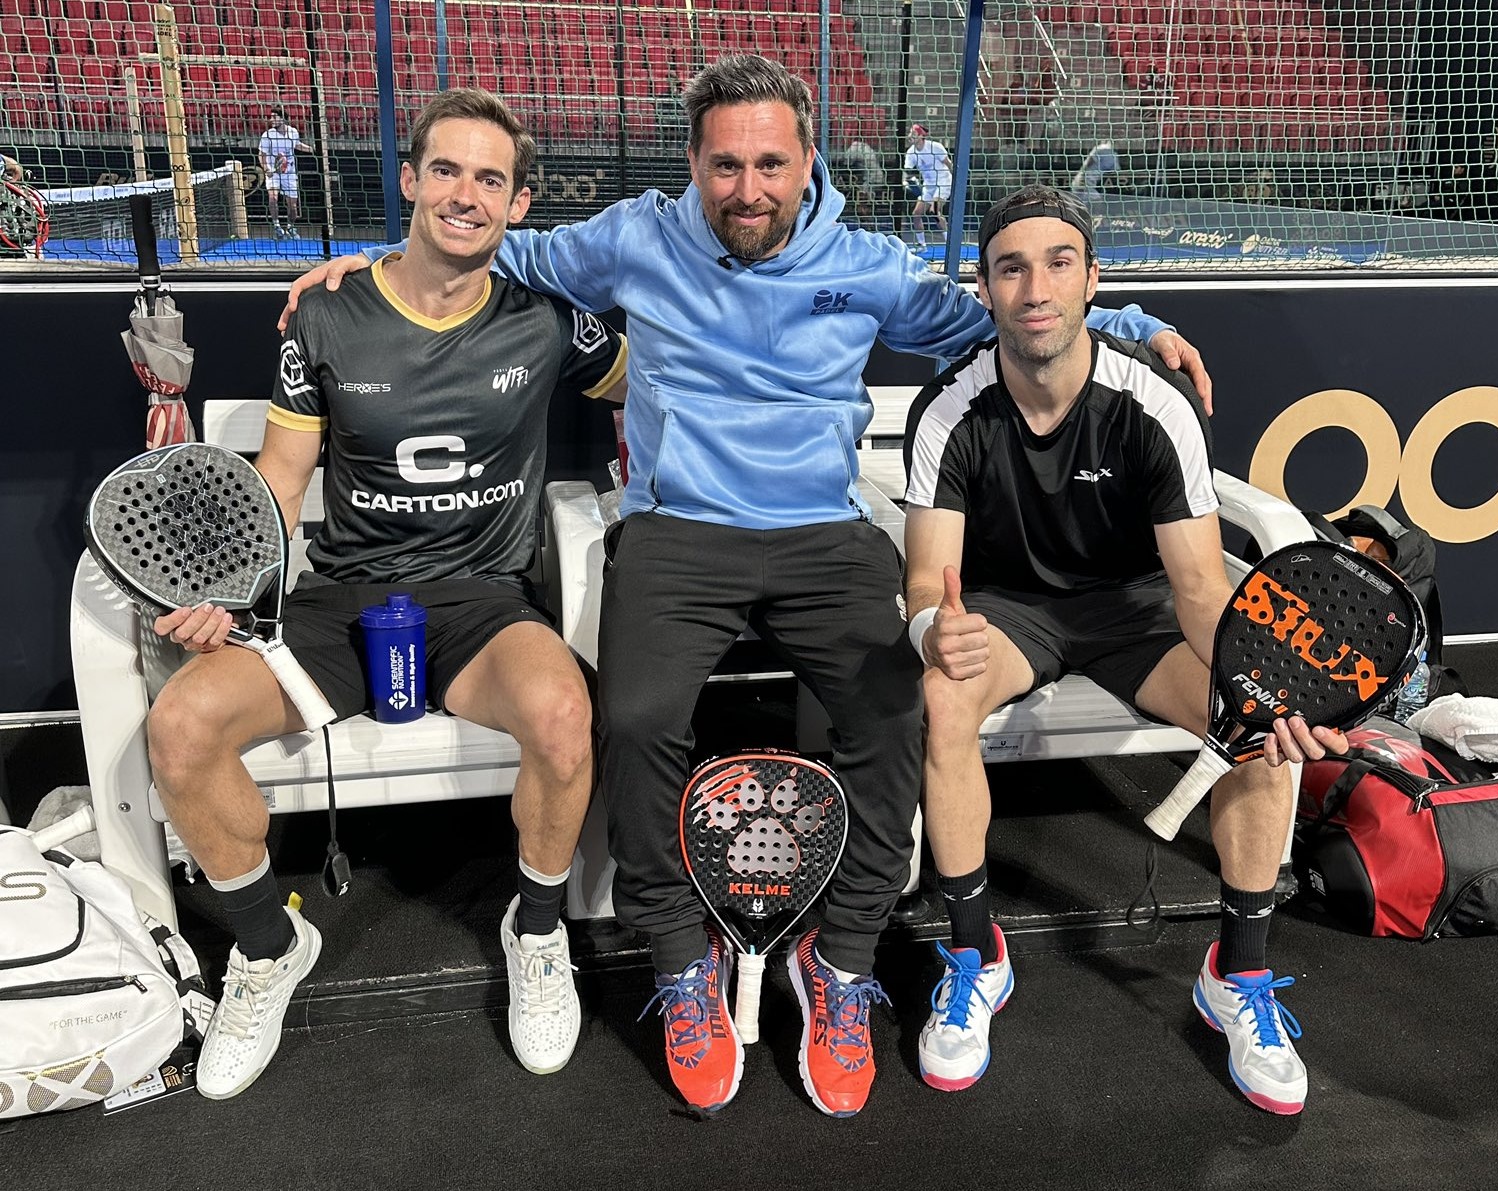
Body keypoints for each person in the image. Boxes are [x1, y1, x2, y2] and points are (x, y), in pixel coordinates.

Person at [281, 54, 1212, 1119]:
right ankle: (679, 959)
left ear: (808, 160)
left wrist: (1128, 323)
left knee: (891, 710)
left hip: (823, 532)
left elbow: (1013, 317)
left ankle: (846, 960)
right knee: (629, 721)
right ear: (694, 164)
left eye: (772, 162)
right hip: (677, 534)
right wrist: (365, 267)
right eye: (726, 165)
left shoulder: (864, 263)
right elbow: (490, 244)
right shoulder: (635, 235)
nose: (749, 187)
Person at [147, 88, 627, 1100]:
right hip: (343, 600)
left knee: (564, 714)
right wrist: (229, 587)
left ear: (521, 204)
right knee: (181, 728)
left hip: (482, 603)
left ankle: (536, 932)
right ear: (407, 182)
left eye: (489, 178)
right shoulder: (326, 311)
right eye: (444, 170)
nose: (465, 194)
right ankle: (268, 948)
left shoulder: (547, 319)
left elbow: (662, 373)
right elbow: (280, 481)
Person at [901, 186, 1344, 1113]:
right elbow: (925, 581)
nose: (1036, 286)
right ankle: (977, 954)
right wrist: (929, 628)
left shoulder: (1157, 403)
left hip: (1139, 614)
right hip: (1010, 612)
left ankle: (1240, 976)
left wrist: (1262, 688)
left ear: (1093, 281)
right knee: (941, 695)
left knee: (1253, 720)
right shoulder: (949, 410)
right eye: (1011, 266)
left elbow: (1197, 586)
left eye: (1060, 262)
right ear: (983, 289)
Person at [259, 107, 313, 238]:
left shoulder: (293, 132)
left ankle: (291, 227)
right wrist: (266, 168)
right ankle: (277, 225)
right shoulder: (267, 135)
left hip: (289, 173)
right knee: (273, 198)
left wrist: (312, 149)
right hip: (273, 173)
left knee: (293, 205)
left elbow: (297, 145)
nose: (271, 120)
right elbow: (262, 154)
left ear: (283, 119)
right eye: (271, 117)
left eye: (274, 117)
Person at [903, 122, 952, 251]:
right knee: (916, 213)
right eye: (910, 133)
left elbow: (949, 164)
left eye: (913, 133)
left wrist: (957, 182)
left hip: (943, 182)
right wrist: (908, 182)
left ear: (921, 136)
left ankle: (949, 243)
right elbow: (907, 172)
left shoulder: (935, 147)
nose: (910, 136)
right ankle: (921, 245)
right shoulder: (911, 153)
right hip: (928, 185)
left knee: (934, 211)